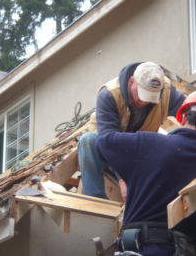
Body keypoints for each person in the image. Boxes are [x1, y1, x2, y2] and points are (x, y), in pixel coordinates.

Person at [95, 91, 196, 256]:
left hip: (139, 247)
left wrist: (122, 176)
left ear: (183, 118)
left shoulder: (148, 144)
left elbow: (103, 143)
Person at [78, 61, 185, 199]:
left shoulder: (166, 91)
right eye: (141, 93)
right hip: (106, 151)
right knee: (88, 141)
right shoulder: (109, 95)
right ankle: (96, 201)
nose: (144, 101)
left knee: (174, 142)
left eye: (150, 97)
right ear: (131, 81)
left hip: (137, 152)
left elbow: (188, 109)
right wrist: (122, 178)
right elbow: (109, 144)